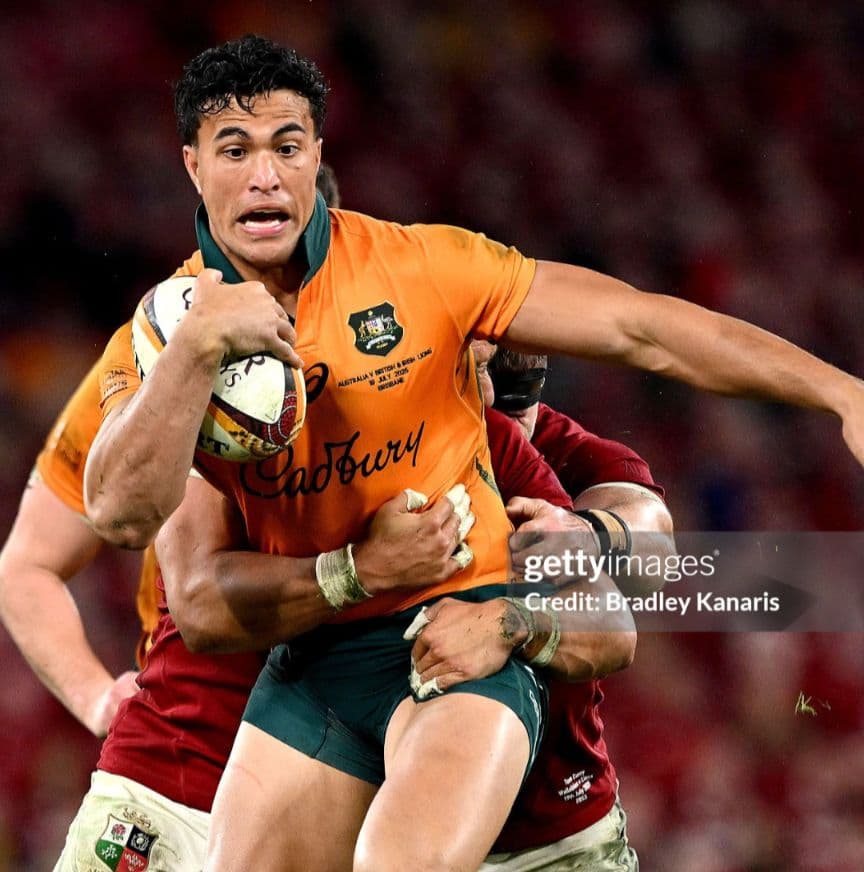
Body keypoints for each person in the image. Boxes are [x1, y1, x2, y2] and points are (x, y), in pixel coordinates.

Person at [80, 35, 864, 872]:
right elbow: (126, 523)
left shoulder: (425, 271)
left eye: (288, 146)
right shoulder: (164, 336)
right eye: (235, 150)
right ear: (193, 165)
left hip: (461, 635)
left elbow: (642, 330)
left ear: (317, 155)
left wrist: (841, 392)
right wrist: (198, 352)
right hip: (317, 667)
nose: (265, 176)